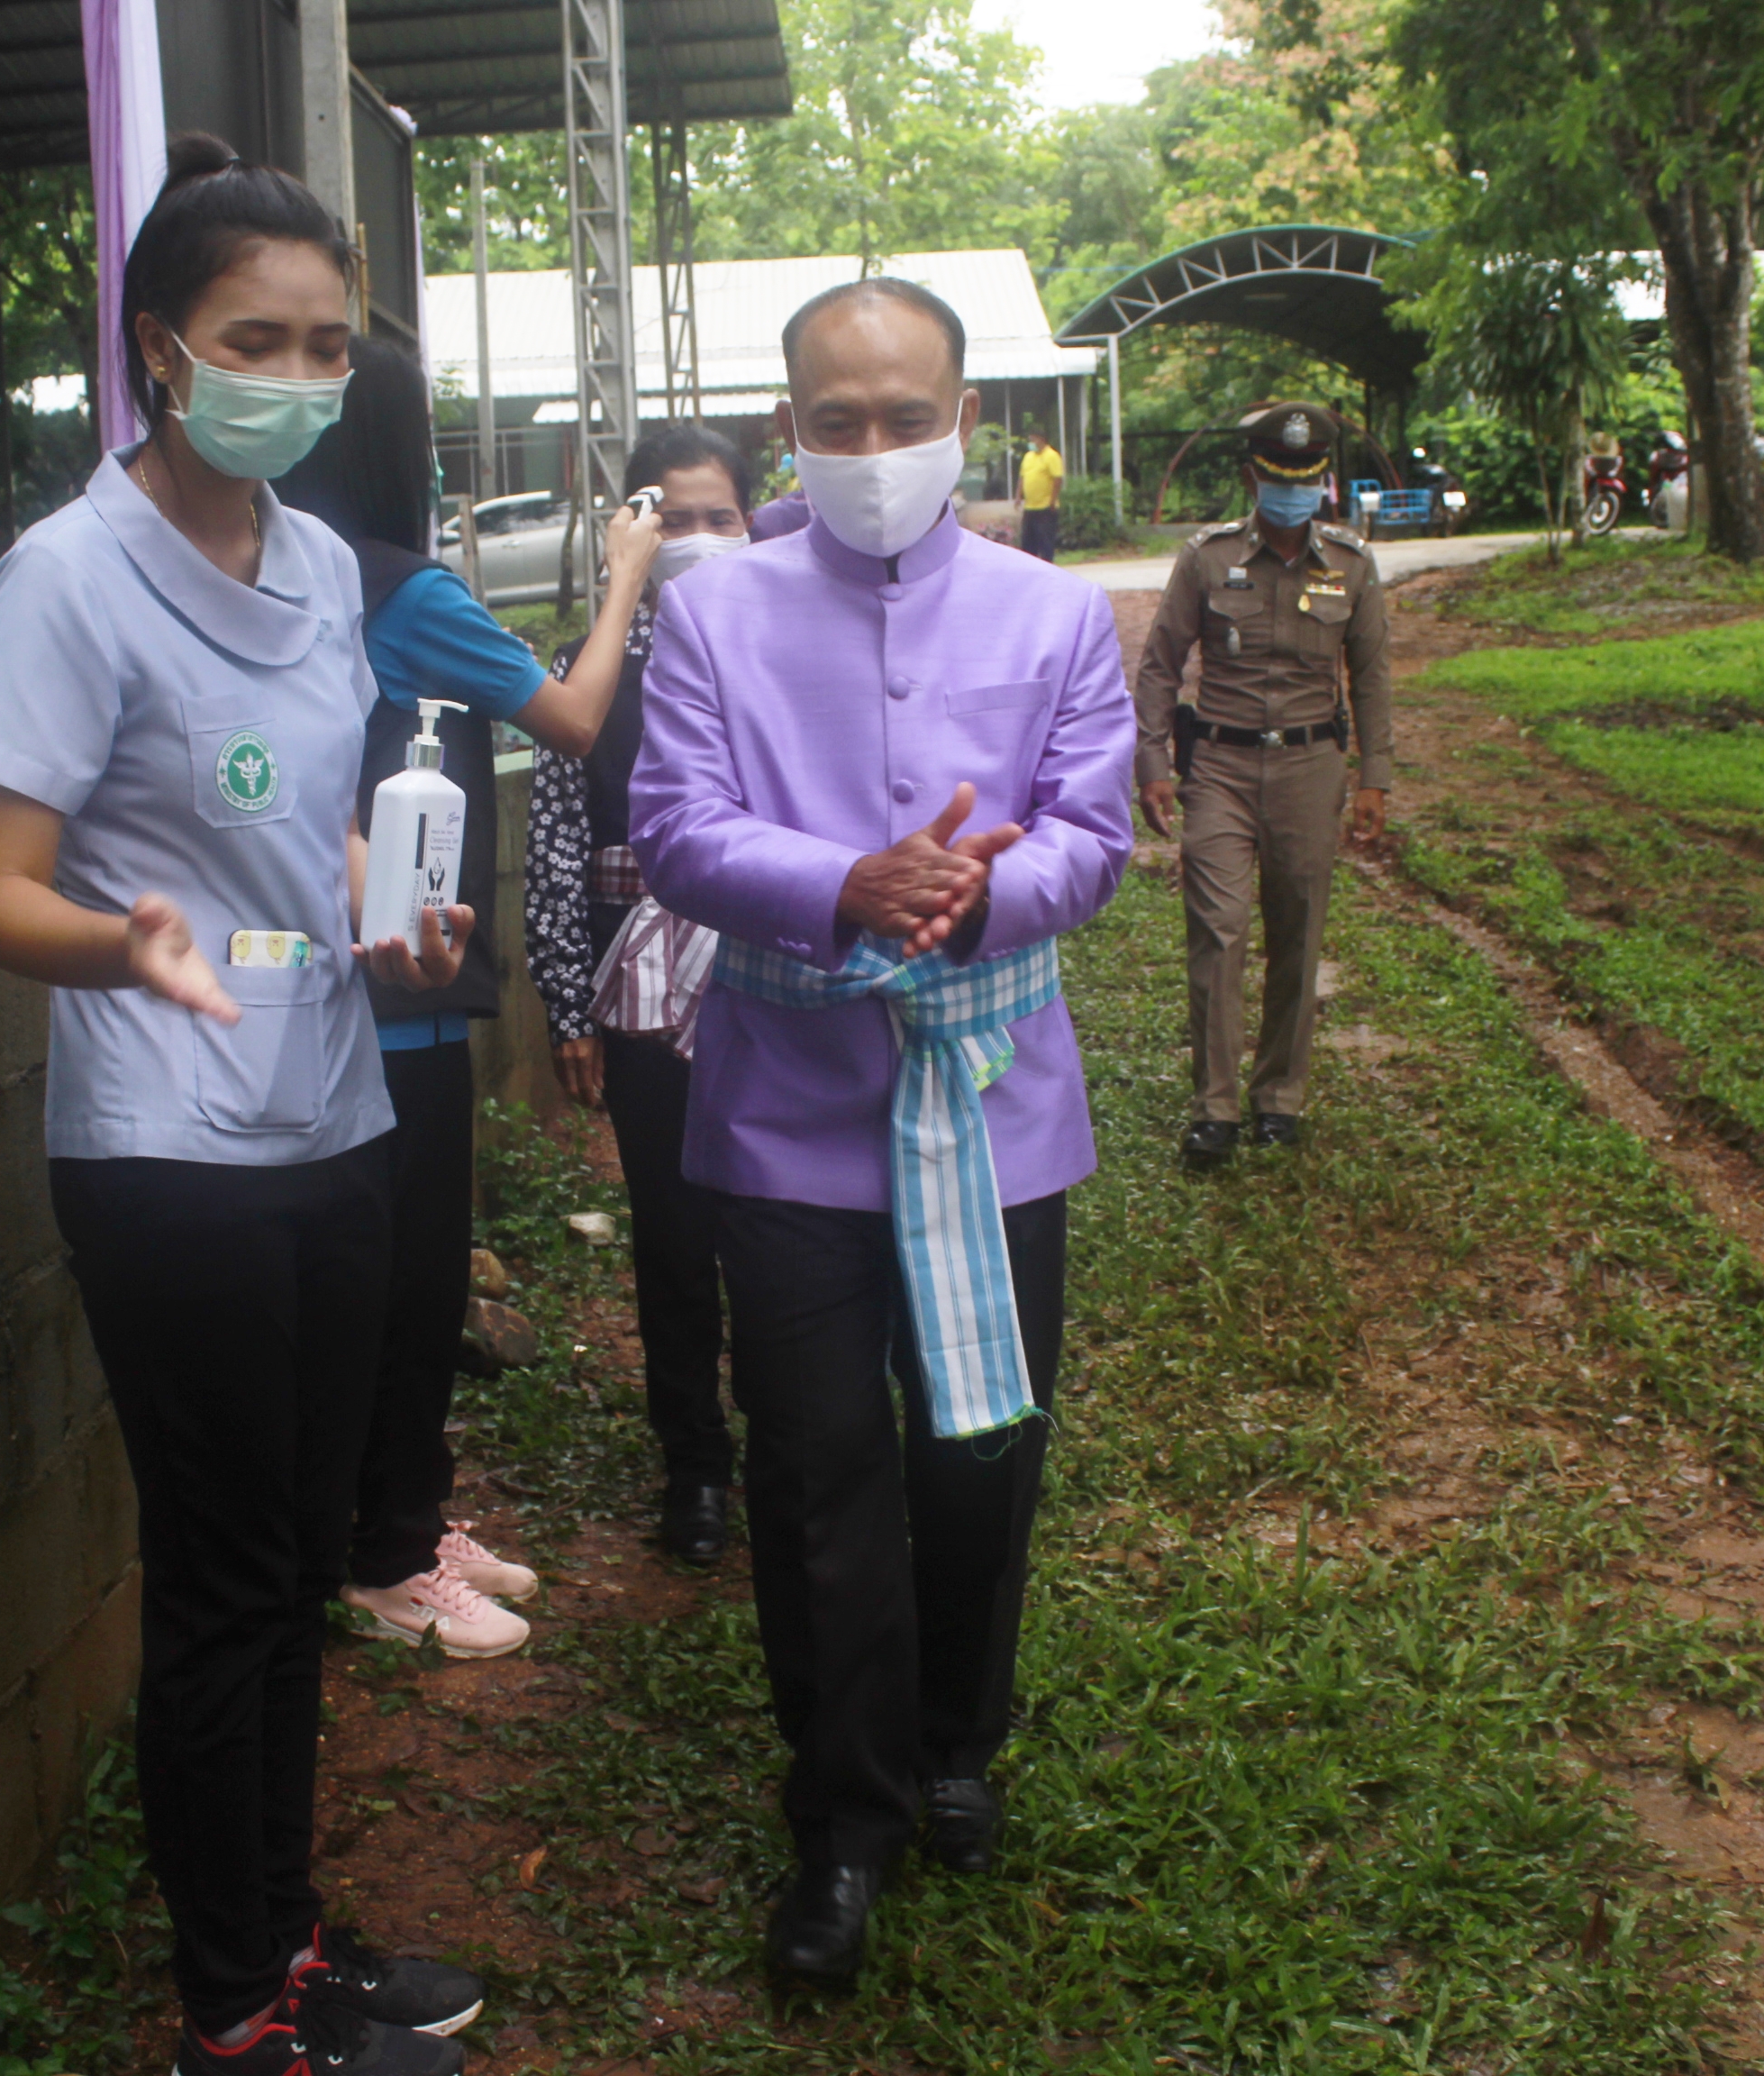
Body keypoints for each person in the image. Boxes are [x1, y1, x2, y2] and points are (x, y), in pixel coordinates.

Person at [0, 132, 486, 2076]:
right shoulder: (67, 580)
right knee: (224, 1576)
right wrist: (126, 944)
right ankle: (233, 2012)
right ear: (161, 350)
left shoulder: (325, 564)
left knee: (303, 1564)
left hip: (336, 1112)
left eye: (329, 345)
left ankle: (286, 1929)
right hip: (168, 1149)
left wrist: (391, 918)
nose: (299, 376)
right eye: (259, 340)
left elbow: (312, 838)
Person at [627, 277, 1133, 1989]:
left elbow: (1094, 834)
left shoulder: (1056, 616)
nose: (872, 448)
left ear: (964, 420)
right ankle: (843, 1815)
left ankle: (957, 1739)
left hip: (993, 1110)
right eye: (835, 422)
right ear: (788, 430)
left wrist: (983, 893)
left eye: (906, 419)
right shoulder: (714, 613)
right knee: (815, 1462)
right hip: (788, 1117)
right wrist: (842, 879)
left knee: (980, 1446)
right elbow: (676, 827)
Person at [277, 332, 659, 1660]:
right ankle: (390, 1559)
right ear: (393, 450)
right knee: (415, 1277)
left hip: (322, 985)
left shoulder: (285, 582)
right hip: (411, 995)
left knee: (379, 1277)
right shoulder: (406, 594)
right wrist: (625, 575)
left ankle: (403, 1514)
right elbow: (575, 718)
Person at [527, 423, 751, 1564]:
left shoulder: (794, 643)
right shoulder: (596, 665)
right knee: (670, 1229)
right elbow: (558, 843)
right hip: (641, 990)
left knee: (782, 1219)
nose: (699, 539)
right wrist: (569, 1006)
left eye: (722, 517)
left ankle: (793, 1431)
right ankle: (695, 1464)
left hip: (773, 981)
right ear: (636, 530)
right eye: (677, 519)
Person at [1132, 401, 1393, 1171]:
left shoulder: (1352, 564)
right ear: (1253, 479)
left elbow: (1371, 677)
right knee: (1219, 929)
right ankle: (1214, 1108)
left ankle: (1279, 1096)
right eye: (1282, 478)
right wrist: (1153, 764)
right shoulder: (1206, 558)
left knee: (1298, 931)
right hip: (1220, 766)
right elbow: (1160, 665)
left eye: (1308, 479)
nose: (1295, 492)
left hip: (1312, 769)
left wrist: (1375, 777)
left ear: (1324, 482)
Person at [1016, 428, 1065, 562]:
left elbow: (1057, 479)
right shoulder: (1028, 456)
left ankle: (1048, 567)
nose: (1031, 443)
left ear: (1041, 439)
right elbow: (1022, 477)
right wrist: (1018, 496)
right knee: (1028, 543)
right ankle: (1031, 568)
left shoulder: (1052, 456)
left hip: (1045, 507)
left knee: (1045, 542)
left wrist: (1053, 500)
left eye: (1033, 440)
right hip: (1030, 507)